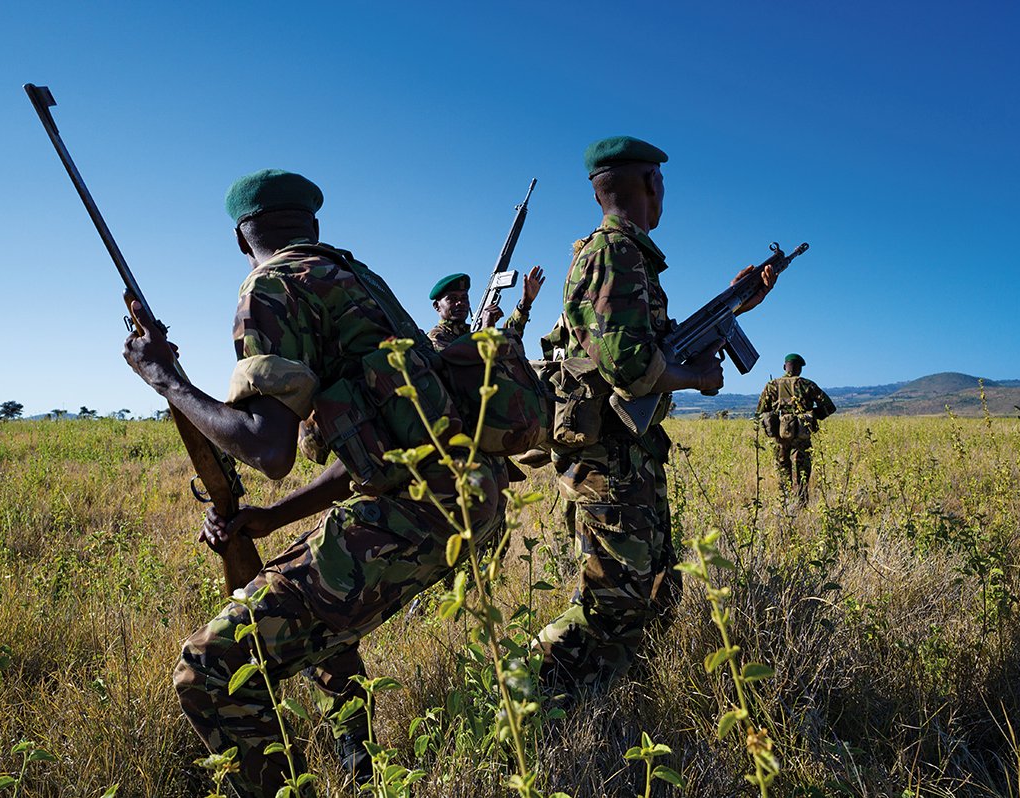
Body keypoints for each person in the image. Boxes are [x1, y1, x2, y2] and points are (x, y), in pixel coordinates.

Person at [122, 169, 509, 797]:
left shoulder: (268, 287)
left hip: (414, 514)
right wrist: (271, 520)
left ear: (240, 237)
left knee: (209, 673)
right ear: (314, 226)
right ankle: (361, 771)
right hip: (468, 501)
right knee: (318, 614)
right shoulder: (360, 283)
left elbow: (267, 447)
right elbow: (378, 446)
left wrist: (164, 379)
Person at [533, 136, 777, 692]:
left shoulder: (627, 259)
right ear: (649, 183)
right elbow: (630, 367)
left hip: (630, 458)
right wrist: (699, 379)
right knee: (609, 603)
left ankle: (610, 705)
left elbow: (653, 343)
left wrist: (738, 302)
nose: (664, 192)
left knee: (655, 590)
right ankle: (525, 693)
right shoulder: (613, 255)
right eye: (661, 182)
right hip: (608, 465)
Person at [756, 353, 836, 505]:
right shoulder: (807, 385)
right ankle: (801, 503)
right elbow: (829, 407)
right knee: (802, 469)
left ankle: (785, 501)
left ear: (785, 367)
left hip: (780, 435)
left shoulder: (772, 385)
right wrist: (811, 415)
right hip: (802, 435)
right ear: (799, 369)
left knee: (783, 467)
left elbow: (760, 412)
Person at [427, 266, 545, 351]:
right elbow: (460, 365)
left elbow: (511, 338)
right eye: (452, 299)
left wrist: (525, 304)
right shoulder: (436, 336)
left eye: (464, 298)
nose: (460, 303)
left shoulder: (470, 331)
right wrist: (485, 331)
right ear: (437, 306)